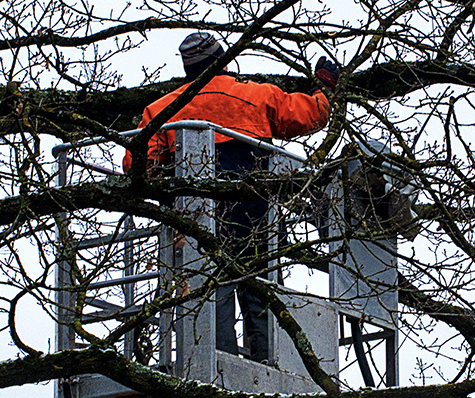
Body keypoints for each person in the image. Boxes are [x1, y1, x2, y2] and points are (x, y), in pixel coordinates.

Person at [125, 31, 340, 364]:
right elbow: (311, 114)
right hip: (256, 220)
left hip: (195, 225)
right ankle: (269, 361)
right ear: (223, 61)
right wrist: (323, 87)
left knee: (210, 295)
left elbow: (138, 168)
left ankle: (217, 367)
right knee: (262, 295)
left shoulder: (162, 109)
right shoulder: (255, 96)